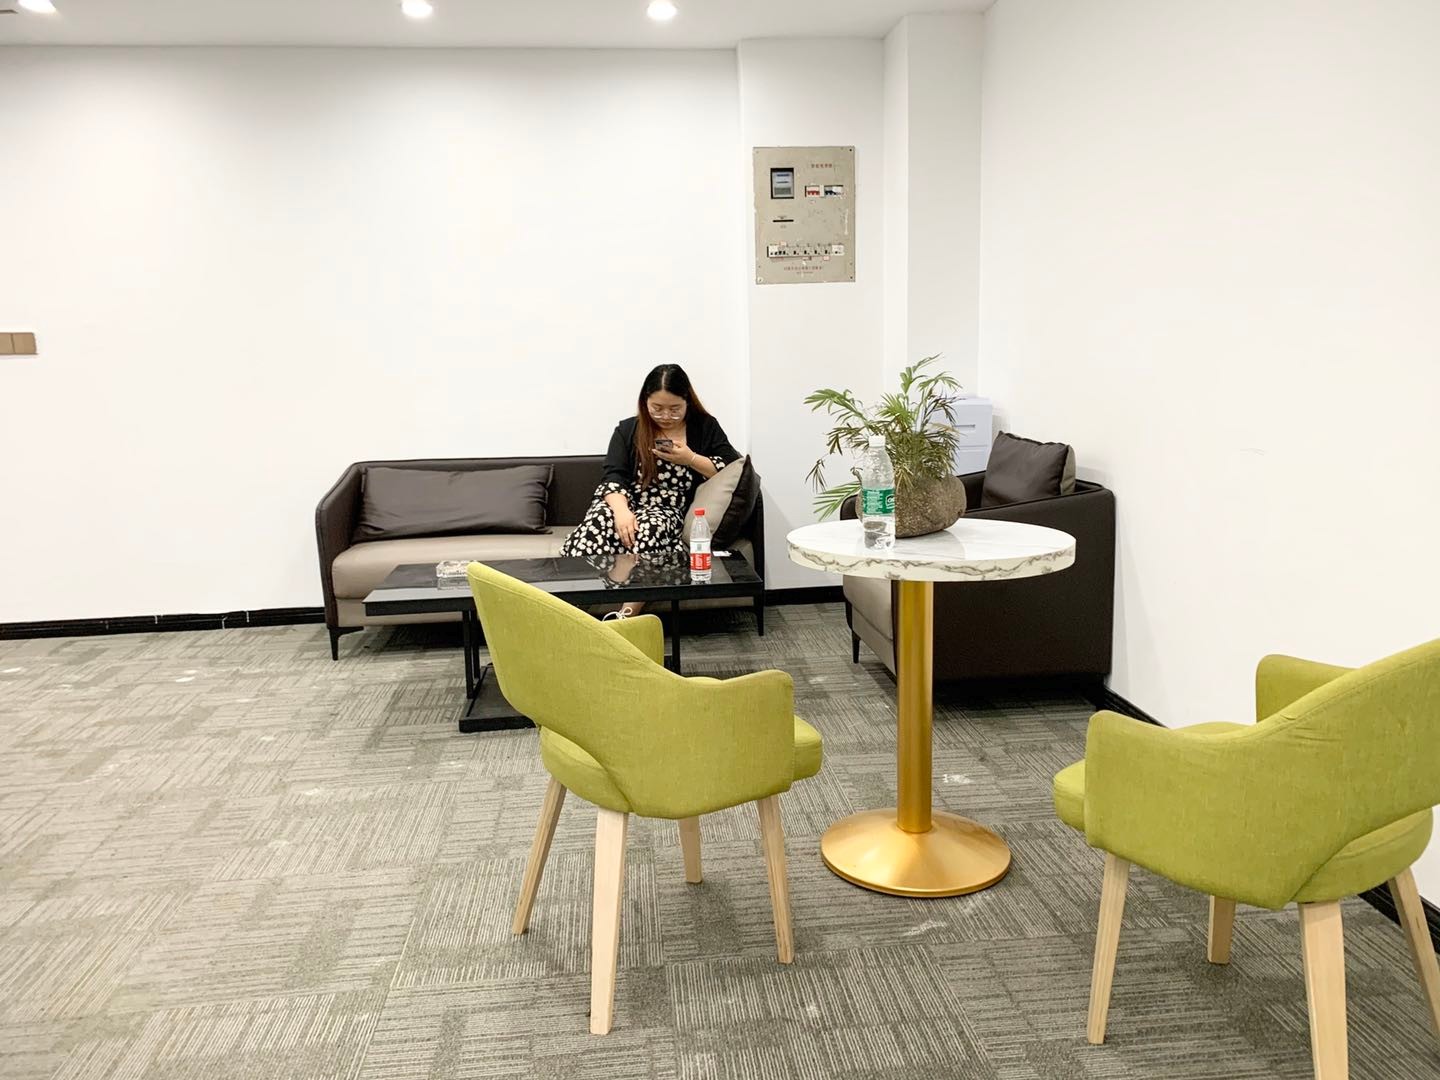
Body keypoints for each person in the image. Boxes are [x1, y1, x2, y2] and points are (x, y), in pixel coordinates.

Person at [560, 364, 740, 617]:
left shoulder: (704, 427)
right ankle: (569, 614)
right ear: (645, 402)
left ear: (688, 402)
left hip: (665, 508)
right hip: (623, 501)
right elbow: (613, 476)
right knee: (596, 526)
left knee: (648, 532)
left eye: (675, 409)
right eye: (657, 408)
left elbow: (730, 466)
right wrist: (622, 513)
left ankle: (625, 617)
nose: (666, 416)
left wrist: (690, 459)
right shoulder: (628, 430)